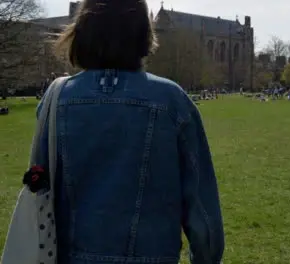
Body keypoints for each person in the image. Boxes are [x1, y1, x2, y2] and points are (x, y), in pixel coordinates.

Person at [39, 0, 224, 263]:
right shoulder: (172, 100)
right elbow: (203, 215)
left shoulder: (56, 99)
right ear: (143, 34)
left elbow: (37, 191)